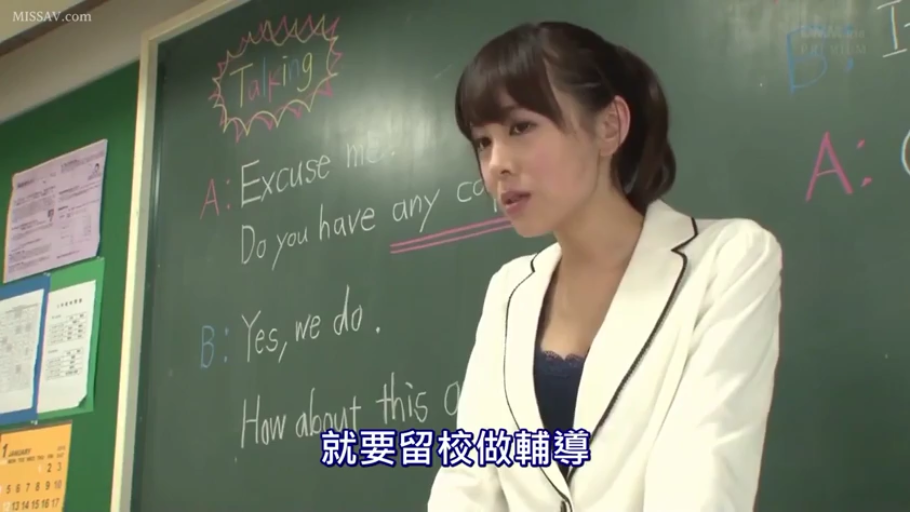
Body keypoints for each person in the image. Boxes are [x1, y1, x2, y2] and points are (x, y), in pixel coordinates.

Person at [427, 21, 783, 512]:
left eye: (520, 127)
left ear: (610, 126)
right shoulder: (509, 291)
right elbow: (468, 481)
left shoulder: (727, 260)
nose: (496, 164)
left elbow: (700, 476)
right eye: (482, 141)